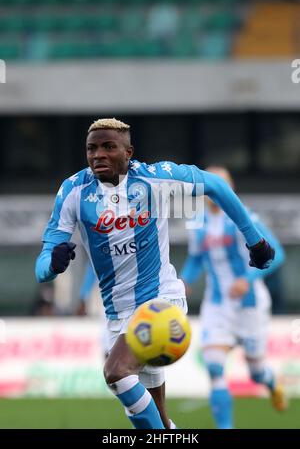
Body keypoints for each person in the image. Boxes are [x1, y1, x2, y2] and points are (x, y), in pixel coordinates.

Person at [35, 118, 275, 430]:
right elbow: (42, 267)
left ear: (128, 152)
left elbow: (215, 186)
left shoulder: (154, 178)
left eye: (109, 147)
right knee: (155, 423)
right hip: (116, 315)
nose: (99, 155)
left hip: (160, 303)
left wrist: (254, 239)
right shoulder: (73, 191)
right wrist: (53, 262)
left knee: (116, 372)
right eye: (92, 148)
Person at [181, 166, 287, 429]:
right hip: (216, 305)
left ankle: (272, 384)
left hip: (250, 305)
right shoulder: (197, 222)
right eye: (208, 184)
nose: (211, 191)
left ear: (230, 189)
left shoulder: (244, 218)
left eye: (220, 184)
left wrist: (247, 279)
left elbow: (278, 254)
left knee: (256, 372)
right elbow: (196, 259)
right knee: (215, 368)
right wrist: (184, 281)